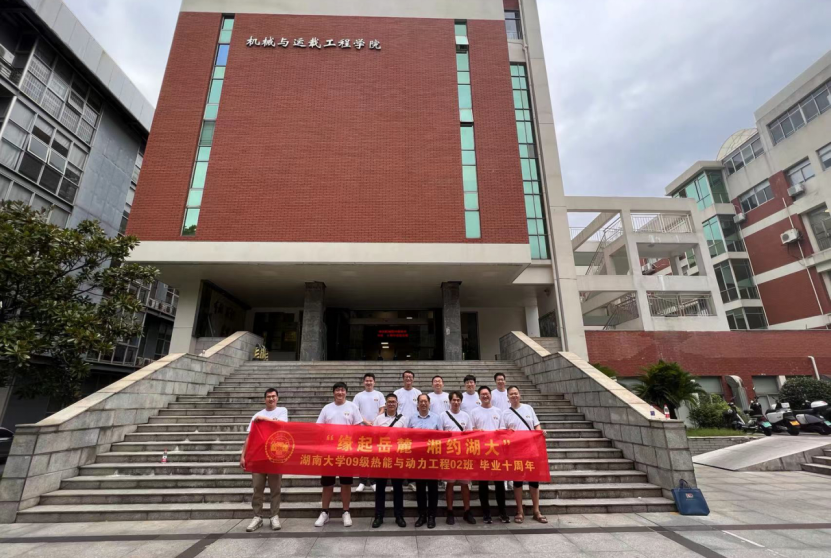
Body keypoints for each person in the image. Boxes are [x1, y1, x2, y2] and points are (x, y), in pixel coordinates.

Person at [314, 382, 364, 528]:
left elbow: (358, 429)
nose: (340, 392)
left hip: (346, 451)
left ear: (346, 392)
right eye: (337, 390)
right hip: (329, 452)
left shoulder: (352, 407)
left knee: (346, 483)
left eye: (342, 390)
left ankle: (346, 512)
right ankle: (324, 512)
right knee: (327, 483)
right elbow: (319, 427)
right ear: (333, 392)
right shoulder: (327, 408)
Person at [240, 388, 287, 532]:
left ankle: (274, 516)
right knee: (257, 488)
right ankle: (257, 516)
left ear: (277, 398)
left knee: (275, 489)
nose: (271, 399)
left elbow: (281, 425)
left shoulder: (282, 411)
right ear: (264, 399)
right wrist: (243, 455)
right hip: (258, 457)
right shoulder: (257, 415)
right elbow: (250, 436)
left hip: (275, 456)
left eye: (273, 396)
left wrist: (264, 419)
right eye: (268, 396)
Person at [500, 385, 547, 524]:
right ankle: (519, 511)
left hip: (531, 450)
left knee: (534, 481)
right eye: (511, 394)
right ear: (508, 397)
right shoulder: (505, 413)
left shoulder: (528, 408)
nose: (514, 396)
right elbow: (502, 432)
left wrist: (540, 432)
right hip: (516, 452)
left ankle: (536, 511)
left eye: (516, 393)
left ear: (519, 395)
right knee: (518, 481)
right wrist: (508, 432)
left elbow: (536, 425)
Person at [470, 386, 510, 524]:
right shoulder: (474, 412)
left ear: (490, 395)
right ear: (479, 397)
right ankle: (486, 513)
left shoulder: (498, 411)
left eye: (487, 394)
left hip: (496, 452)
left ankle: (502, 512)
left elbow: (503, 429)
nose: (485, 396)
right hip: (482, 452)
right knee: (483, 484)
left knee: (499, 484)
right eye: (482, 394)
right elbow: (471, 430)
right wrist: (478, 431)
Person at [371, 393, 407, 528]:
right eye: (389, 402)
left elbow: (406, 438)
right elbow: (374, 438)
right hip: (382, 458)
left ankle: (399, 516)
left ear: (397, 404)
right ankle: (379, 516)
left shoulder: (403, 419)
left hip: (397, 458)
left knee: (398, 488)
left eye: (393, 402)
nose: (391, 404)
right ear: (385, 404)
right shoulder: (378, 419)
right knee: (380, 488)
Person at [407, 393, 443, 528]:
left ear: (429, 403)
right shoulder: (412, 418)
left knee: (433, 488)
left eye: (425, 401)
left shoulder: (436, 418)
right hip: (418, 459)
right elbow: (407, 437)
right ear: (417, 404)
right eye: (421, 401)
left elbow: (442, 437)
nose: (423, 403)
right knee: (420, 489)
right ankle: (422, 515)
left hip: (432, 458)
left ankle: (432, 516)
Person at [441, 391, 476, 525]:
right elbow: (440, 435)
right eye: (453, 400)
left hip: (463, 455)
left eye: (458, 400)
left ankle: (467, 511)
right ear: (449, 401)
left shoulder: (466, 416)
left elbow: (470, 435)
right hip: (449, 455)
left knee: (465, 484)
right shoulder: (443, 416)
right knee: (449, 484)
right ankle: (450, 511)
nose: (456, 402)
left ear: (461, 401)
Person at [352, 373, 384, 492]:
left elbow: (382, 409)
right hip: (362, 429)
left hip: (376, 429)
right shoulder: (358, 396)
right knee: (363, 455)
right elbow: (355, 411)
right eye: (367, 380)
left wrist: (375, 421)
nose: (369, 382)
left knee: (375, 455)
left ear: (374, 382)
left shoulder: (379, 394)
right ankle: (362, 481)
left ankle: (373, 481)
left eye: (371, 380)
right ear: (363, 382)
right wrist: (365, 422)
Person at [394, 370, 421, 491]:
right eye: (406, 377)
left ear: (413, 379)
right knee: (400, 454)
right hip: (400, 427)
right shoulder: (397, 393)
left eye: (410, 377)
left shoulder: (418, 393)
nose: (408, 379)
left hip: (414, 427)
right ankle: (398, 480)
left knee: (412, 455)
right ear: (403, 379)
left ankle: (411, 480)